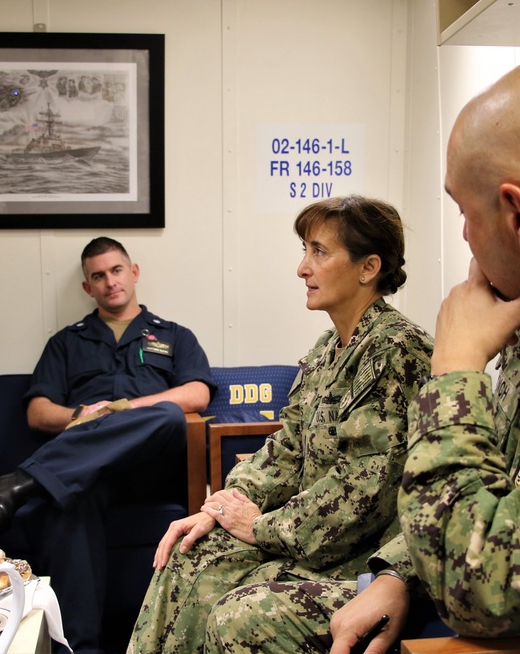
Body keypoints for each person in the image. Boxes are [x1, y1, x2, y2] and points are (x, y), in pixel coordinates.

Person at [206, 60, 520, 653]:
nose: (467, 237)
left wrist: (455, 372)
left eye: (465, 213)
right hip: (466, 572)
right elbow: (498, 472)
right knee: (248, 614)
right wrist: (397, 572)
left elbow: (483, 588)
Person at [128, 195, 434, 653]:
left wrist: (263, 527)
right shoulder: (328, 348)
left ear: (368, 268)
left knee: (237, 614)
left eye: (319, 252)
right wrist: (226, 506)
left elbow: (362, 493)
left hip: (365, 561)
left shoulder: (397, 351)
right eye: (304, 251)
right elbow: (287, 446)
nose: (302, 268)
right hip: (314, 544)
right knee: (188, 557)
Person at [0, 236, 215, 654]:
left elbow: (196, 394)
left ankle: (23, 481)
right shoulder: (68, 342)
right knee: (70, 504)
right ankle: (79, 647)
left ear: (134, 272)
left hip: (150, 466)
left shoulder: (174, 335)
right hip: (88, 472)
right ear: (88, 287)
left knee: (166, 415)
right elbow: (38, 411)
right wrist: (81, 417)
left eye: (116, 270)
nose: (109, 282)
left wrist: (120, 409)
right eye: (98, 276)